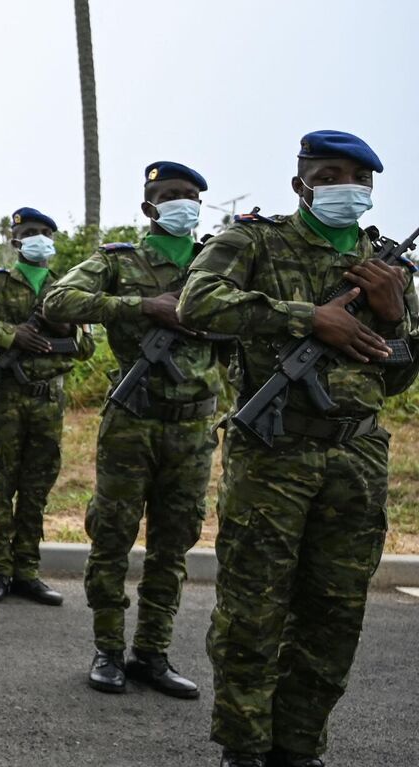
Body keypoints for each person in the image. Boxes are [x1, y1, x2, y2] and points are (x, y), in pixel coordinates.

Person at [179, 131, 416, 767]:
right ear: (300, 183)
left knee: (334, 615)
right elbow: (197, 302)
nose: (347, 189)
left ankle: (298, 746)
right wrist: (308, 317)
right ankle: (244, 748)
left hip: (357, 458)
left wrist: (394, 320)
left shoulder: (388, 268)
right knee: (252, 610)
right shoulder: (255, 242)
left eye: (359, 180)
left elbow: (396, 378)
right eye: (331, 174)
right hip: (273, 452)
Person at [41, 161, 222, 699]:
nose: (182, 203)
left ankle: (152, 653)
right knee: (114, 536)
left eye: (190, 195)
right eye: (170, 195)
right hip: (132, 421)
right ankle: (108, 650)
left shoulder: (219, 265)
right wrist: (143, 306)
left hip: (193, 429)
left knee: (174, 542)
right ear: (149, 207)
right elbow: (58, 303)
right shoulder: (120, 262)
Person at [0, 208, 92, 606]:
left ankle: (28, 571)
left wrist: (62, 329)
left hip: (49, 401)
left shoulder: (66, 289)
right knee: (2, 481)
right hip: (6, 397)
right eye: (30, 232)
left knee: (38, 484)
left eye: (45, 232)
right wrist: (10, 335)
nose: (39, 238)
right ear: (15, 240)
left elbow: (86, 346)